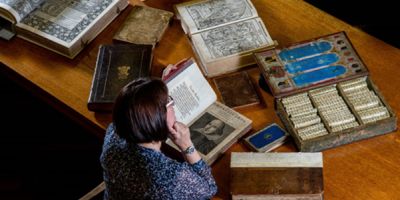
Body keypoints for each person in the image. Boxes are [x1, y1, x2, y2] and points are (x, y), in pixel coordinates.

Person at [100, 77, 217, 200]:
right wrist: (187, 145)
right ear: (158, 118)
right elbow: (209, 188)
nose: (173, 106)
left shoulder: (113, 134)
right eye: (169, 103)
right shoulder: (170, 177)